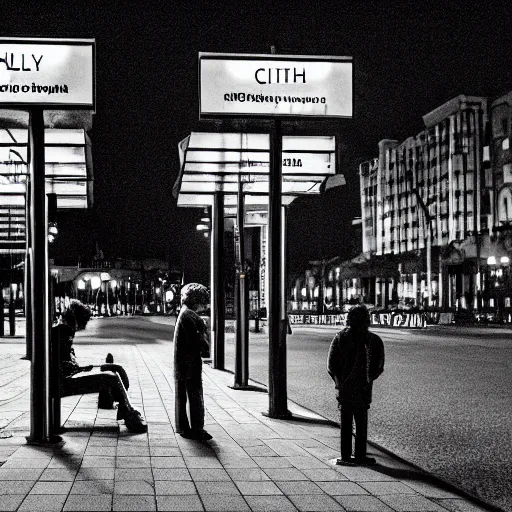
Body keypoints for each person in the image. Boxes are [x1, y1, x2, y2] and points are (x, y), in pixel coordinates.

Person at [55, 299, 147, 433]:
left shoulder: (65, 329)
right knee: (111, 377)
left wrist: (83, 367)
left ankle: (120, 406)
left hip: (69, 375)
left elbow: (66, 360)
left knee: (116, 369)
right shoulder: (63, 331)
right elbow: (62, 363)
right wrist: (79, 368)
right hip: (63, 382)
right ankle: (128, 413)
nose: (83, 326)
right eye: (83, 322)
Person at [327, 305, 384, 466]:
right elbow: (379, 366)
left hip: (345, 388)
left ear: (349, 319)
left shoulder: (340, 337)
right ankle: (359, 455)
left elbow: (331, 365)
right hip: (363, 389)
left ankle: (345, 455)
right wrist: (368, 378)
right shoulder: (373, 340)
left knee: (346, 423)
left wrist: (339, 382)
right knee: (361, 423)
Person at [173, 283, 211, 440]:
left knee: (181, 396)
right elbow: (200, 342)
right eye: (203, 301)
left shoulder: (184, 313)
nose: (204, 305)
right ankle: (197, 428)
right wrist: (203, 330)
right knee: (195, 396)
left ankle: (182, 427)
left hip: (182, 363)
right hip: (190, 364)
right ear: (197, 300)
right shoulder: (190, 316)